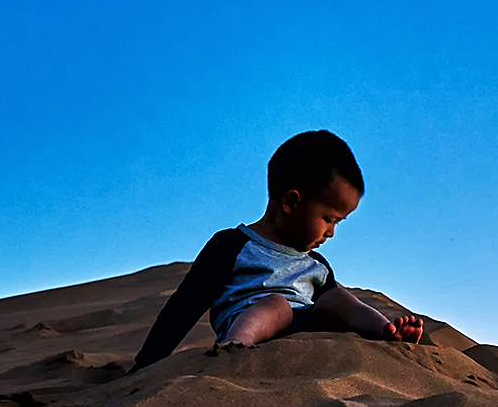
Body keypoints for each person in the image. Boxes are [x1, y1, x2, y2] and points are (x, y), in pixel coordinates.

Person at [130, 130, 423, 371]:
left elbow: (333, 307)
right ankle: (232, 353)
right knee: (276, 304)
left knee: (338, 297)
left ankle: (386, 333)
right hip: (251, 325)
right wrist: (146, 363)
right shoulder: (232, 245)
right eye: (328, 219)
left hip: (307, 330)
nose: (331, 232)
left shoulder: (317, 264)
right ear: (291, 203)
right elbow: (184, 306)